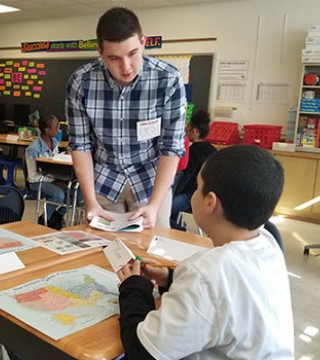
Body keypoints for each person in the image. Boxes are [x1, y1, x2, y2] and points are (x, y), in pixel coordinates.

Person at [117, 145, 293, 359]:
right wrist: (170, 278)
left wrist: (134, 287)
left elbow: (141, 352)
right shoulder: (267, 241)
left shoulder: (206, 272)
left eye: (197, 187)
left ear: (210, 202)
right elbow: (230, 295)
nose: (193, 193)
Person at [66, 7, 186, 229]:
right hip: (103, 185)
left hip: (151, 184)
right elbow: (80, 145)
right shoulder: (81, 82)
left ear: (143, 42)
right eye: (114, 58)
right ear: (100, 52)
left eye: (132, 54)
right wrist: (91, 202)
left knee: (152, 255)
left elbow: (171, 148)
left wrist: (154, 205)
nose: (126, 67)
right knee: (103, 254)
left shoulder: (168, 80)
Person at [26, 114, 78, 230]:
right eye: (55, 127)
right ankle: (44, 219)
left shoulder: (54, 142)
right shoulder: (33, 149)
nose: (58, 130)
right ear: (47, 130)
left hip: (52, 178)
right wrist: (55, 181)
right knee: (58, 194)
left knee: (78, 194)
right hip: (37, 181)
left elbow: (53, 161)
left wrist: (66, 154)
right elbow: (33, 176)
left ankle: (57, 216)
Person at [171, 110, 217, 229]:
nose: (186, 129)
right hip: (207, 195)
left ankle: (181, 231)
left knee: (163, 209)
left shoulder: (194, 152)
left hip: (191, 196)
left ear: (195, 131)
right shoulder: (212, 150)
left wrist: (172, 194)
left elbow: (185, 178)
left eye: (188, 126)